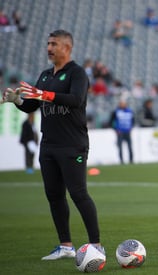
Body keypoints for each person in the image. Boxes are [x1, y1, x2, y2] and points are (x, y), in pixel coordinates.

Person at [0, 29, 104, 260]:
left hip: (72, 144)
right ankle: (65, 245)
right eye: (48, 43)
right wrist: (17, 100)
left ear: (67, 47)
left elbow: (76, 100)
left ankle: (96, 244)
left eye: (54, 44)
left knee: (78, 193)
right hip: (48, 145)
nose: (49, 48)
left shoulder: (77, 73)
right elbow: (31, 106)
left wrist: (44, 94)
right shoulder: (46, 75)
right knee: (54, 195)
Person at [109, 99, 135, 164]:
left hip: (127, 131)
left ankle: (131, 160)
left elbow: (133, 121)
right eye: (121, 104)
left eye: (123, 104)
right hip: (120, 132)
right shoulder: (116, 112)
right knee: (120, 147)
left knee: (130, 146)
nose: (122, 105)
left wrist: (131, 128)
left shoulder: (130, 111)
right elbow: (111, 121)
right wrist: (116, 129)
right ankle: (121, 161)